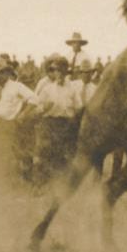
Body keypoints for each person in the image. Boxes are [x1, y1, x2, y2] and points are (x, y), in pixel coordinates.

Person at [0, 60, 39, 185]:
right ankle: (5, 183)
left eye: (0, 73)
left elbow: (34, 99)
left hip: (10, 125)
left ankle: (20, 182)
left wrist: (23, 114)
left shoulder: (16, 86)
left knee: (12, 155)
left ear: (7, 73)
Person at [35, 55, 83, 183]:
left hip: (66, 125)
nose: (59, 73)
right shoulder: (47, 89)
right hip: (50, 124)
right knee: (46, 155)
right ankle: (43, 184)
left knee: (65, 158)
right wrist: (44, 108)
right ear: (54, 72)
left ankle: (62, 185)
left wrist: (74, 121)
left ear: (66, 71)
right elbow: (37, 108)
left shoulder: (73, 89)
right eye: (56, 70)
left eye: (62, 70)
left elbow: (79, 108)